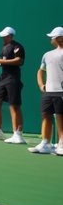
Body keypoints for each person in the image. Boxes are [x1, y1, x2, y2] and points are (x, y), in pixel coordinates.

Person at [29, 26, 63, 155]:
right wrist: (41, 84)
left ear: (59, 38)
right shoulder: (47, 55)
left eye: (52, 37)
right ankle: (45, 143)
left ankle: (61, 144)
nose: (51, 39)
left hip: (61, 92)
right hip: (48, 92)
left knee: (60, 117)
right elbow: (40, 71)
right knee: (45, 116)